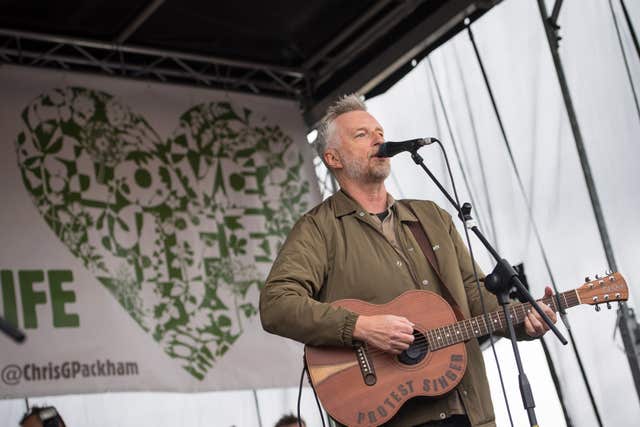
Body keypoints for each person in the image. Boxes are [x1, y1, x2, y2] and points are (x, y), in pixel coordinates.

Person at [259, 94, 556, 427]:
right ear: (333, 158)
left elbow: (474, 295)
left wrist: (523, 320)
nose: (379, 140)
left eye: (380, 132)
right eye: (362, 135)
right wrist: (361, 327)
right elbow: (277, 305)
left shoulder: (432, 217)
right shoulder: (318, 229)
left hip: (468, 411)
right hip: (389, 414)